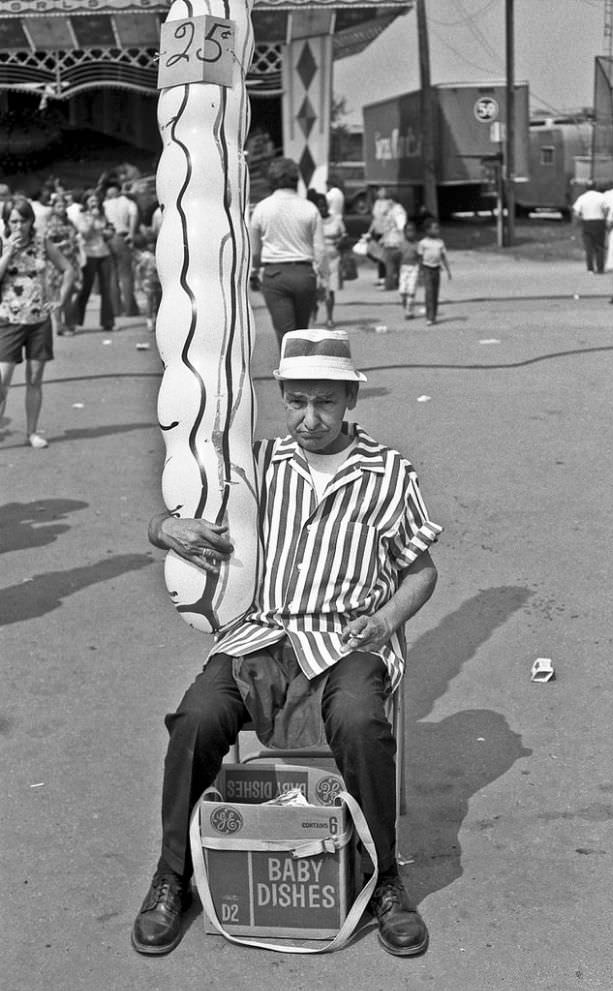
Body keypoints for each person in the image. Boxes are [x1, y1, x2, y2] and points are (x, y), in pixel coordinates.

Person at [131, 327, 442, 959]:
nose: (309, 418)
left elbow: (421, 570)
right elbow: (160, 520)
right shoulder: (254, 467)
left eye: (324, 402)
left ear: (350, 398)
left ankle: (385, 881)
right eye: (296, 401)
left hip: (347, 636)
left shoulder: (388, 473)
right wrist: (168, 528)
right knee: (196, 718)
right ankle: (173, 875)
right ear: (282, 397)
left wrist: (384, 622)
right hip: (263, 633)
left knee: (359, 720)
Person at [0, 196, 74, 448]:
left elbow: (68, 268)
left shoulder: (42, 242)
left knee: (34, 379)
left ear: (31, 221)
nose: (18, 226)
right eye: (13, 221)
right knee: (2, 381)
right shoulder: (2, 244)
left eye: (23, 221)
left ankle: (31, 432)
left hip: (38, 320)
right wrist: (8, 252)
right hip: (8, 320)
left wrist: (60, 300)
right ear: (6, 222)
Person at [250, 158, 327, 346]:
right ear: (296, 179)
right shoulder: (310, 208)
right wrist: (323, 278)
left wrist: (255, 271)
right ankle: (301, 371)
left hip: (275, 275)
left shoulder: (262, 208)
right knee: (302, 332)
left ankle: (288, 372)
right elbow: (320, 249)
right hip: (304, 274)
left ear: (272, 180)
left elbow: (255, 251)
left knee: (285, 333)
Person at [74, 190, 115, 333]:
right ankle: (75, 321)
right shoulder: (82, 216)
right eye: (91, 201)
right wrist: (92, 218)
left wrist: (108, 232)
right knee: (86, 287)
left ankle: (108, 322)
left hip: (104, 253)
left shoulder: (103, 214)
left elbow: (108, 230)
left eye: (96, 200)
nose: (94, 203)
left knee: (106, 288)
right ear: (86, 202)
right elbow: (84, 233)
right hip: (89, 253)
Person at [44, 195, 82, 337]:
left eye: (63, 205)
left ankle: (69, 323)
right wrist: (63, 243)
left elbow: (76, 236)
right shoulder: (51, 223)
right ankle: (59, 325)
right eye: (58, 206)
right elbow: (47, 243)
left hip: (71, 261)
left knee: (71, 293)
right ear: (53, 208)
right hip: (56, 264)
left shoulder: (69, 221)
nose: (61, 208)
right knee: (58, 295)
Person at [103, 180, 139, 317]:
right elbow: (134, 215)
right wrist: (131, 232)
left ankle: (116, 309)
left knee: (112, 276)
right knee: (126, 275)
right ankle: (130, 309)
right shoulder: (128, 202)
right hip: (123, 237)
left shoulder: (104, 204)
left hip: (108, 239)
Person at [313, 193, 347, 328]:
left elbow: (344, 234)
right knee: (316, 289)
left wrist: (340, 241)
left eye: (323, 206)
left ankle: (329, 318)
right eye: (319, 206)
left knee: (330, 290)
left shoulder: (336, 219)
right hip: (317, 260)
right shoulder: (313, 220)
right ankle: (314, 312)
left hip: (333, 259)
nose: (321, 209)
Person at [418, 221, 452, 325]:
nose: (437, 230)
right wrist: (420, 272)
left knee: (435, 293)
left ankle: (434, 316)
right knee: (429, 293)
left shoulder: (440, 242)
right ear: (427, 230)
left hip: (436, 269)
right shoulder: (423, 243)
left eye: (438, 228)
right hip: (427, 268)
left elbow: (443, 257)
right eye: (435, 228)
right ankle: (429, 316)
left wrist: (448, 271)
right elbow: (420, 258)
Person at [572, 181, 607, 274]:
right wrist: (604, 216)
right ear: (595, 187)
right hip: (599, 222)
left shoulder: (582, 197)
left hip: (587, 223)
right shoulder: (601, 196)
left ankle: (590, 269)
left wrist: (581, 219)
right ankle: (600, 268)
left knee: (589, 247)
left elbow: (576, 212)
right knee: (600, 246)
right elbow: (606, 208)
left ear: (586, 187)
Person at [133, 229, 162, 332]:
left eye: (153, 243)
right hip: (148, 281)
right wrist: (139, 283)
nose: (152, 246)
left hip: (159, 281)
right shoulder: (145, 256)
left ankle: (157, 319)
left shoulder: (159, 254)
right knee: (150, 300)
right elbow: (138, 269)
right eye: (149, 244)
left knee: (159, 301)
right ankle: (149, 320)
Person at [367, 186, 394, 286]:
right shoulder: (377, 203)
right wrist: (369, 231)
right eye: (379, 191)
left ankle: (389, 277)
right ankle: (381, 277)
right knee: (378, 255)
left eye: (383, 190)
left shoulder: (390, 203)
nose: (381, 192)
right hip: (377, 232)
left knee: (386, 255)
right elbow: (375, 219)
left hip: (386, 232)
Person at [397, 220, 421, 319]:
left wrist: (421, 270)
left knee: (411, 291)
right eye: (408, 231)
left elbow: (420, 257)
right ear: (404, 232)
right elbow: (398, 257)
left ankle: (409, 312)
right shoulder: (401, 244)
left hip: (414, 268)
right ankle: (405, 301)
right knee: (402, 291)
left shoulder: (417, 244)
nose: (410, 233)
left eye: (412, 231)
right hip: (403, 269)